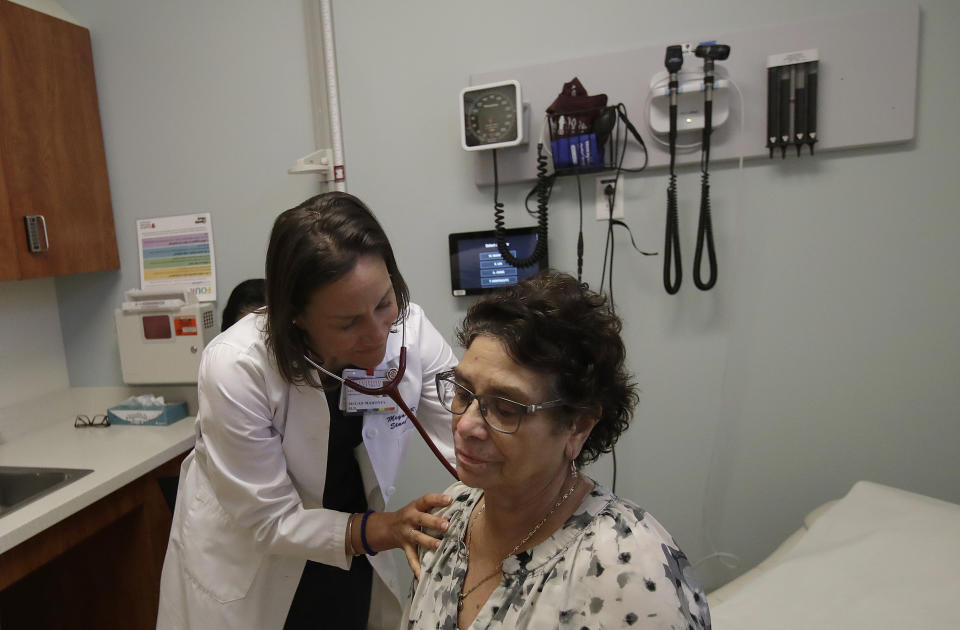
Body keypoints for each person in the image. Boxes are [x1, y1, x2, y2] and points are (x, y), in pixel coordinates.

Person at [157, 192, 457, 630]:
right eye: (348, 323)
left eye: (384, 303)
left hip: (354, 550)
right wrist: (387, 529)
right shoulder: (237, 366)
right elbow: (269, 520)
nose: (377, 335)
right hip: (253, 566)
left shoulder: (411, 332)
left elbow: (468, 428)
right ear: (295, 315)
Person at [403, 271, 711, 629]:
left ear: (577, 426)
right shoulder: (450, 515)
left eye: (505, 408)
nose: (466, 425)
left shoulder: (627, 573)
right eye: (463, 393)